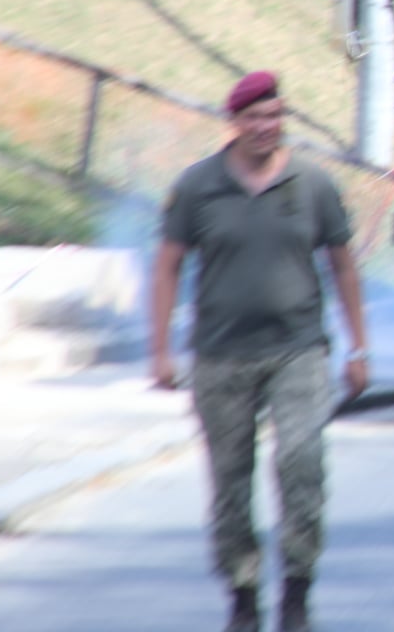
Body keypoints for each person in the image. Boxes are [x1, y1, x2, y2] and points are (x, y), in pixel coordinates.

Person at [149, 71, 370, 632]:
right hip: (221, 356)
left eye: (275, 117)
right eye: (255, 118)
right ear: (235, 123)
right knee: (230, 481)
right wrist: (161, 351)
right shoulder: (198, 187)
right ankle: (244, 595)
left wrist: (358, 347)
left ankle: (296, 591)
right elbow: (168, 266)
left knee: (301, 464)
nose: (266, 128)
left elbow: (343, 266)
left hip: (298, 351)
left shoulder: (312, 185)